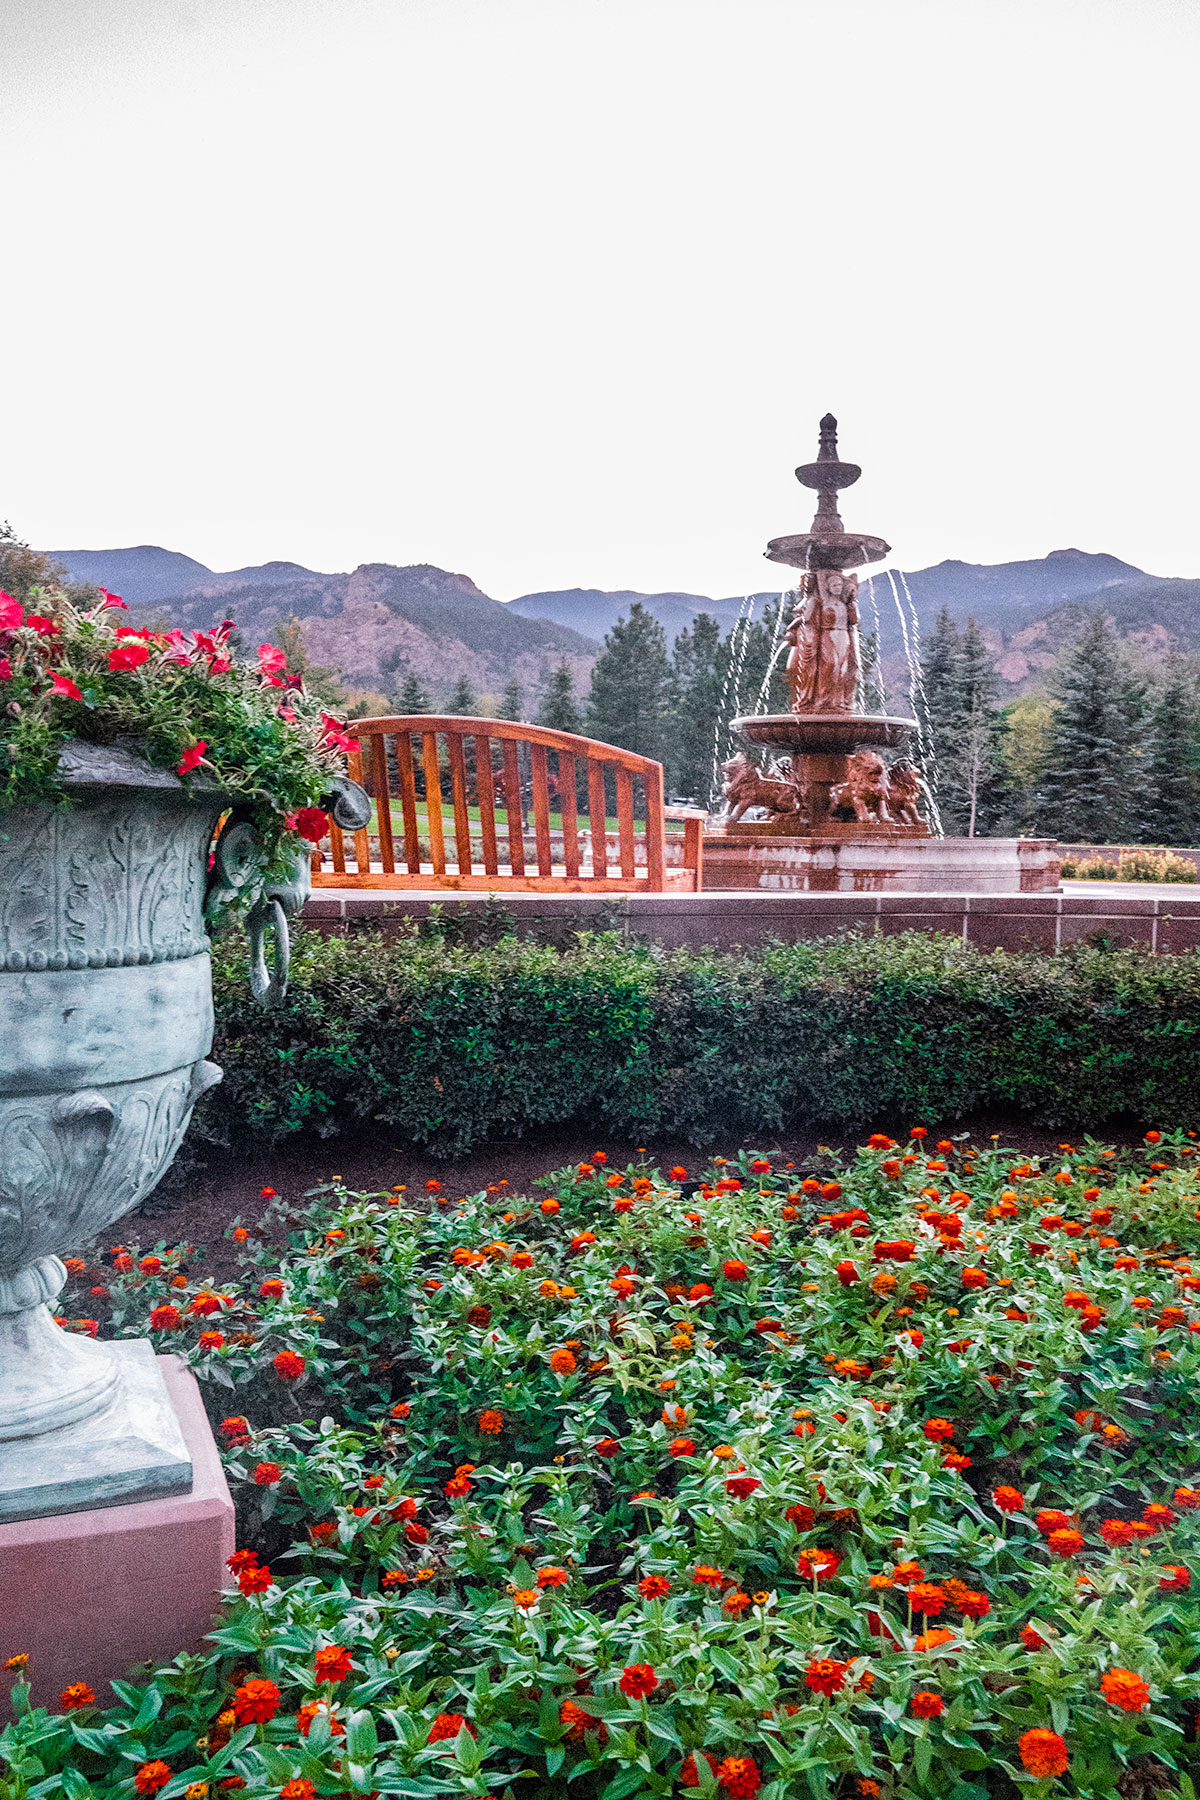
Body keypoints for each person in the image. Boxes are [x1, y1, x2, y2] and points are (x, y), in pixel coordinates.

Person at [785, 570, 861, 712]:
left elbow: (854, 622)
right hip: (827, 636)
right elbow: (820, 574)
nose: (838, 587)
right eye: (834, 585)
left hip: (843, 637)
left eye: (840, 585)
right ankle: (823, 700)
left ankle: (838, 702)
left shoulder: (845, 605)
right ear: (828, 588)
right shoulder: (824, 601)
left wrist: (851, 600)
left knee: (842, 669)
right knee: (830, 666)